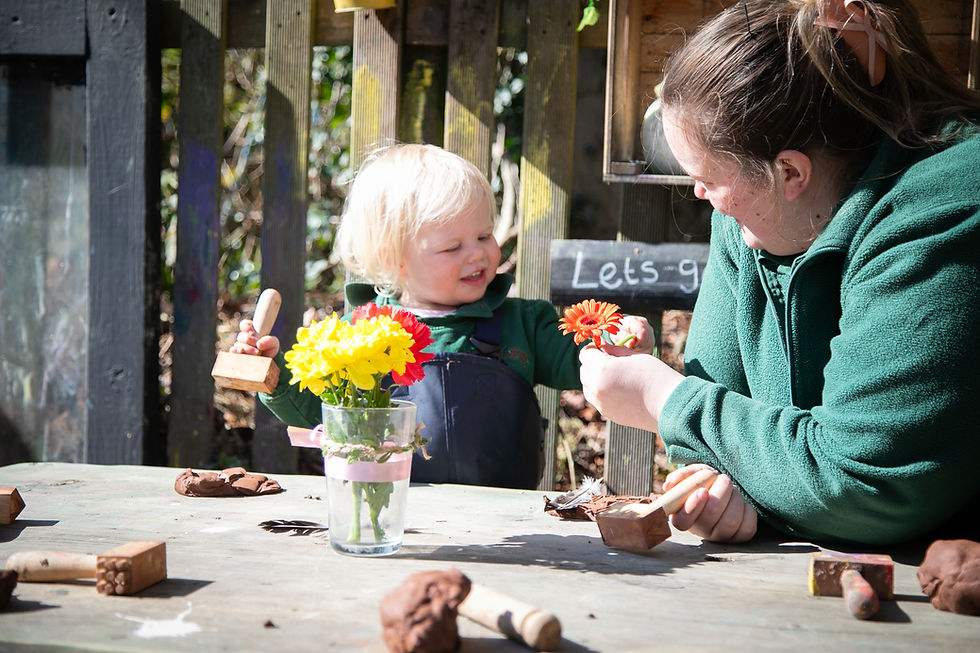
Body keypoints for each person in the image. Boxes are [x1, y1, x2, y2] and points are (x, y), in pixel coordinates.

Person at [579, 0, 980, 546]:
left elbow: (862, 482)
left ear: (790, 171)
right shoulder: (749, 208)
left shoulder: (943, 206)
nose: (700, 195)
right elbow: (716, 433)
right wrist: (723, 485)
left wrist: (660, 397)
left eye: (709, 178)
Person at [233, 143, 653, 489]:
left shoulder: (522, 324)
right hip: (393, 514)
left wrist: (614, 338)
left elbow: (577, 360)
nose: (479, 254)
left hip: (507, 524)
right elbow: (316, 412)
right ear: (393, 260)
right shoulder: (359, 334)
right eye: (452, 247)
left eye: (485, 235)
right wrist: (271, 373)